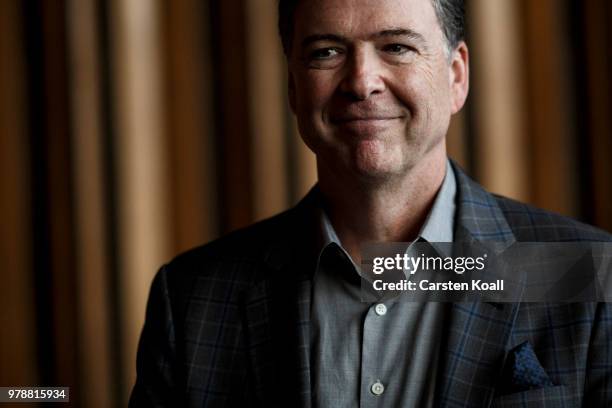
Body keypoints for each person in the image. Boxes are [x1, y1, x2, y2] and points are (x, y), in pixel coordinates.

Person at [129, 0, 612, 406]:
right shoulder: (192, 300)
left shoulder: (589, 275)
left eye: (397, 47)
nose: (362, 81)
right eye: (327, 52)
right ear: (294, 89)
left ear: (457, 76)